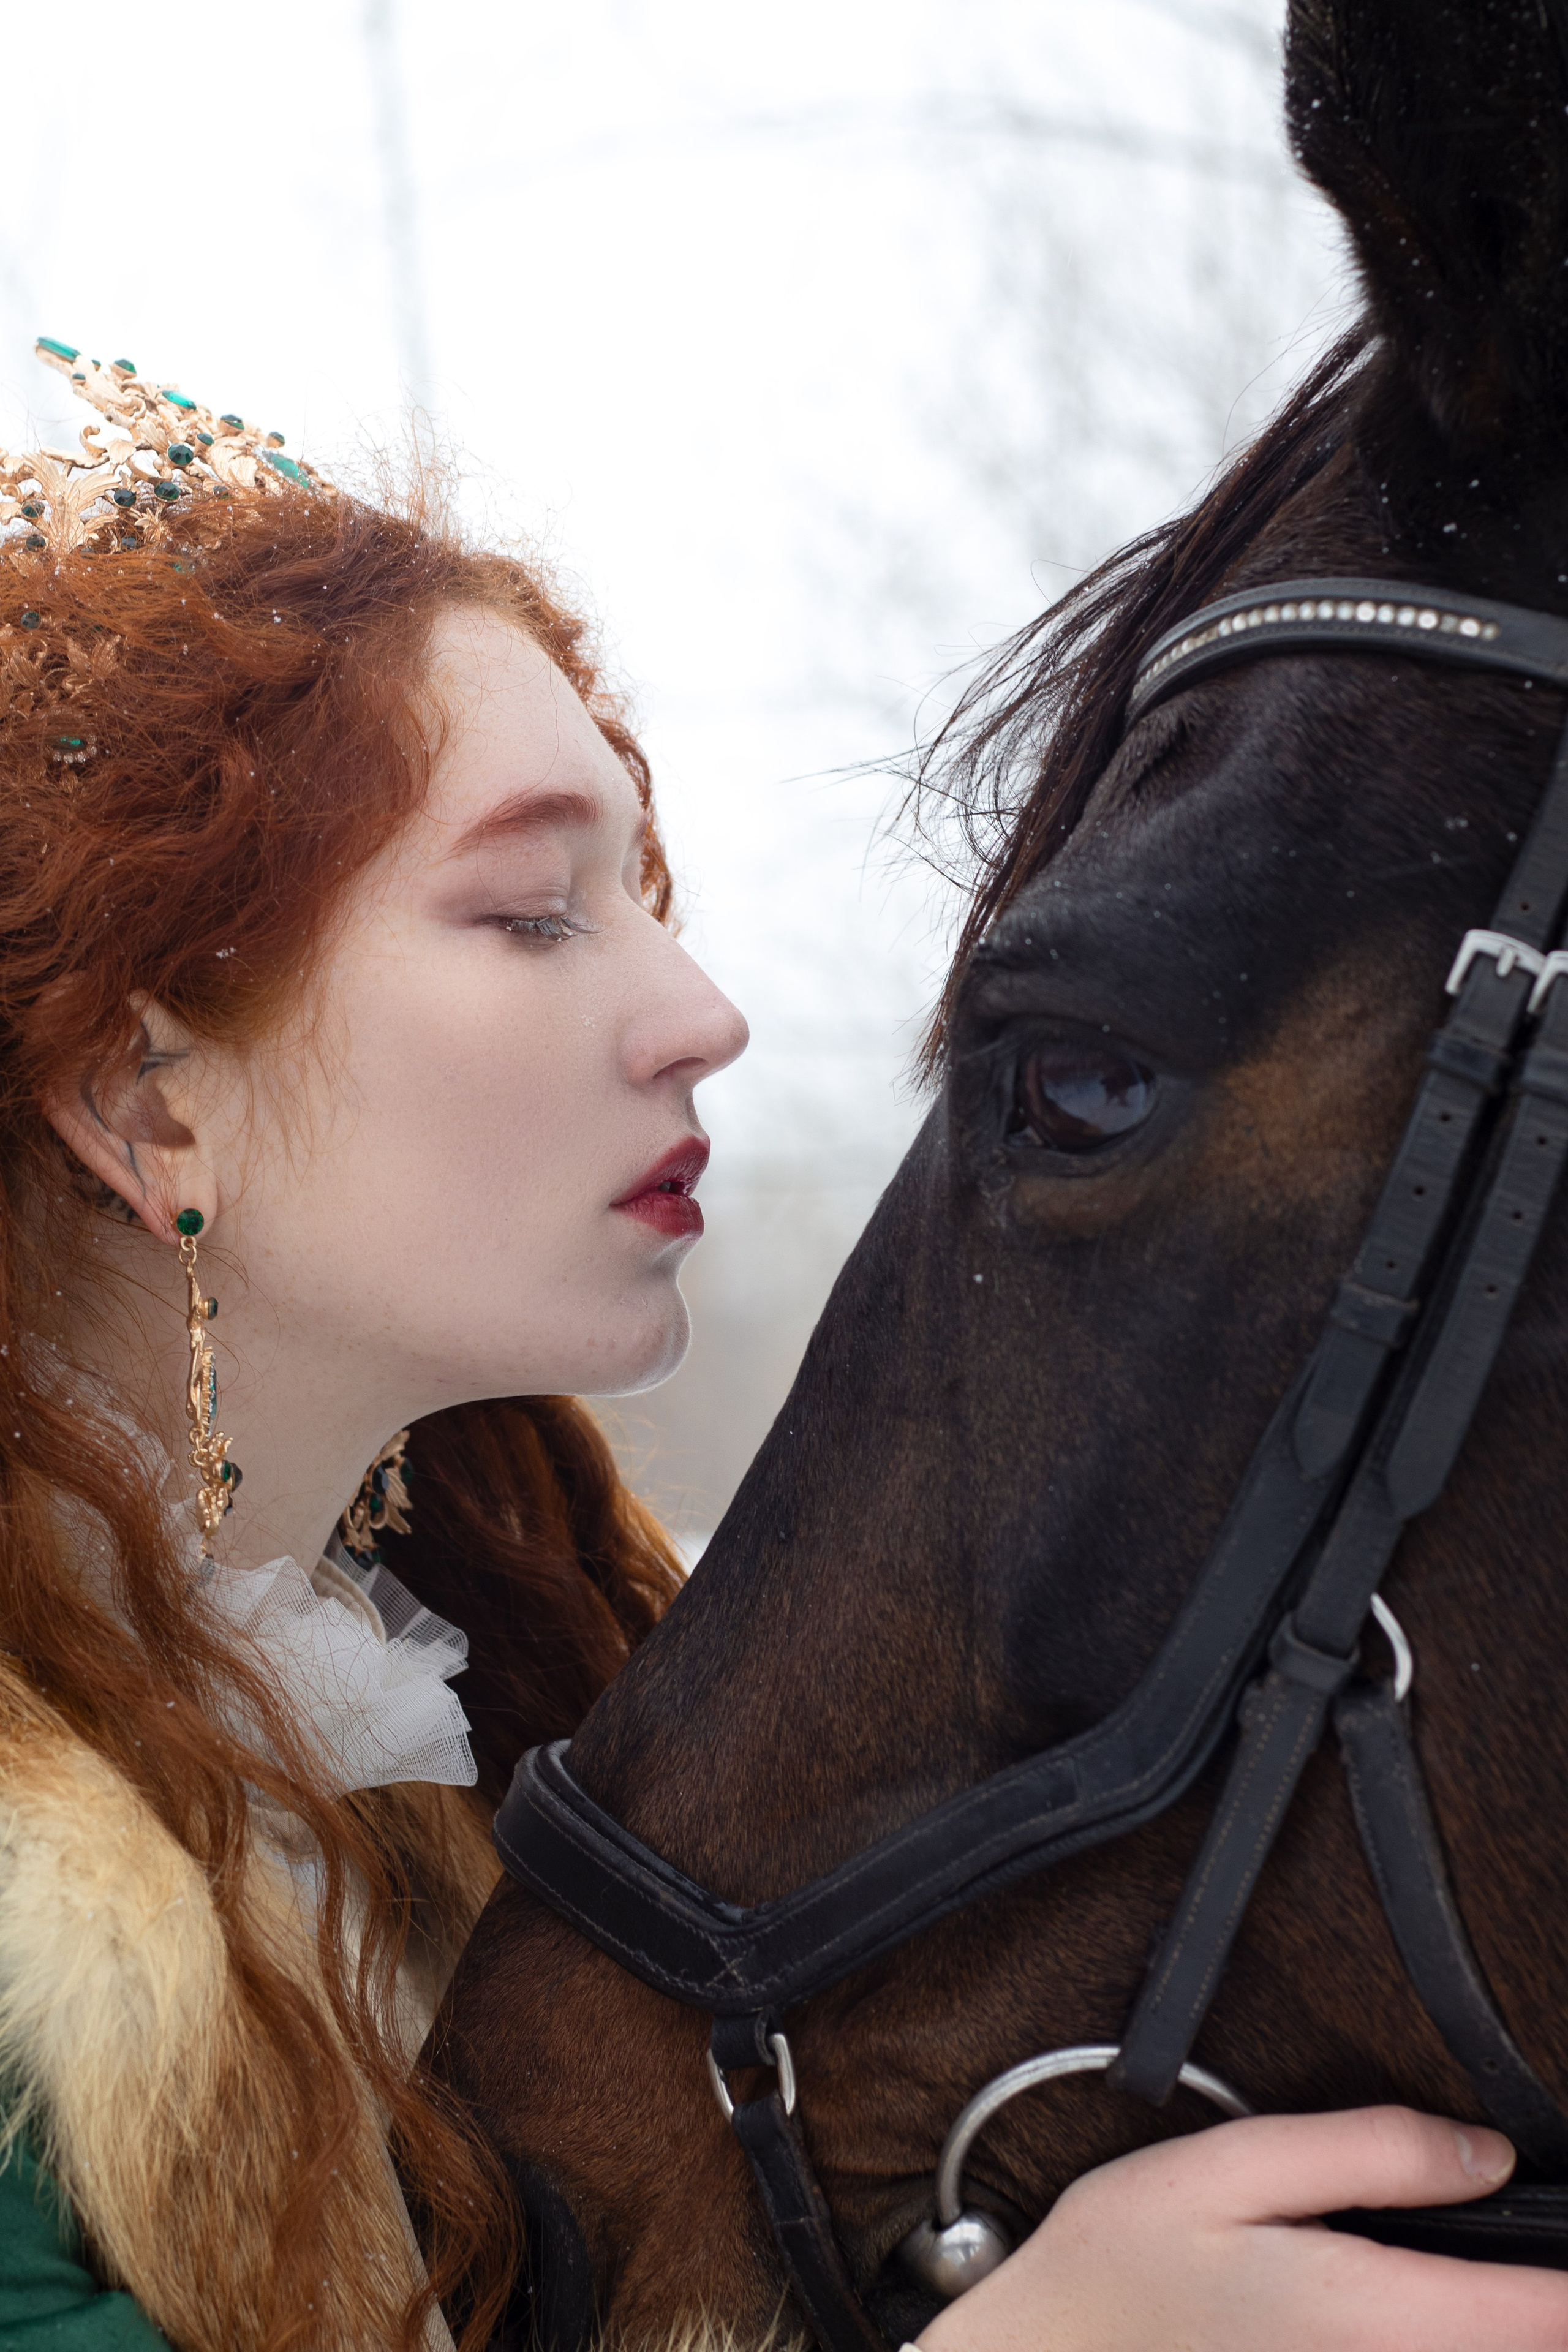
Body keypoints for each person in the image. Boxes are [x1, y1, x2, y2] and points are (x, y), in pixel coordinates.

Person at [1, 337, 1564, 2352]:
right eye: (535, 914)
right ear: (147, 1105)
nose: (704, 1011)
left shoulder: (519, 1769)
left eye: (643, 894)